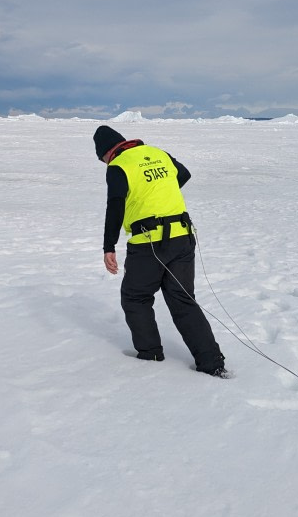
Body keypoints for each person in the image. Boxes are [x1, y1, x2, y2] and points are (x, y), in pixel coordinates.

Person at [94, 125, 228, 378]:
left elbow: (115, 206)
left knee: (135, 297)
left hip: (149, 243)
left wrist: (108, 246)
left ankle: (150, 355)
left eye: (102, 159)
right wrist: (158, 192)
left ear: (107, 152)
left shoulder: (118, 165)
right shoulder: (158, 153)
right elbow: (184, 174)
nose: (104, 163)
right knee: (183, 300)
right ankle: (213, 364)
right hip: (182, 236)